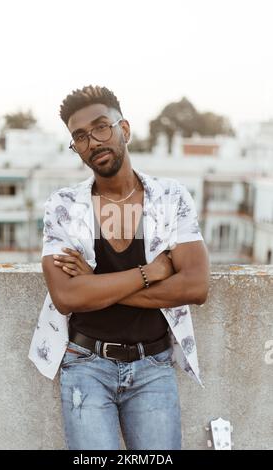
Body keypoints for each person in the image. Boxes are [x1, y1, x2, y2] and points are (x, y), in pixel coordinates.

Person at [28, 85, 210, 450]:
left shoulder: (171, 198)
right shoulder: (63, 205)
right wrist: (147, 274)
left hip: (153, 366)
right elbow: (66, 296)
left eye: (101, 127)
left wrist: (96, 286)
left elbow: (195, 286)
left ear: (124, 129)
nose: (93, 141)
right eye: (79, 137)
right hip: (86, 364)